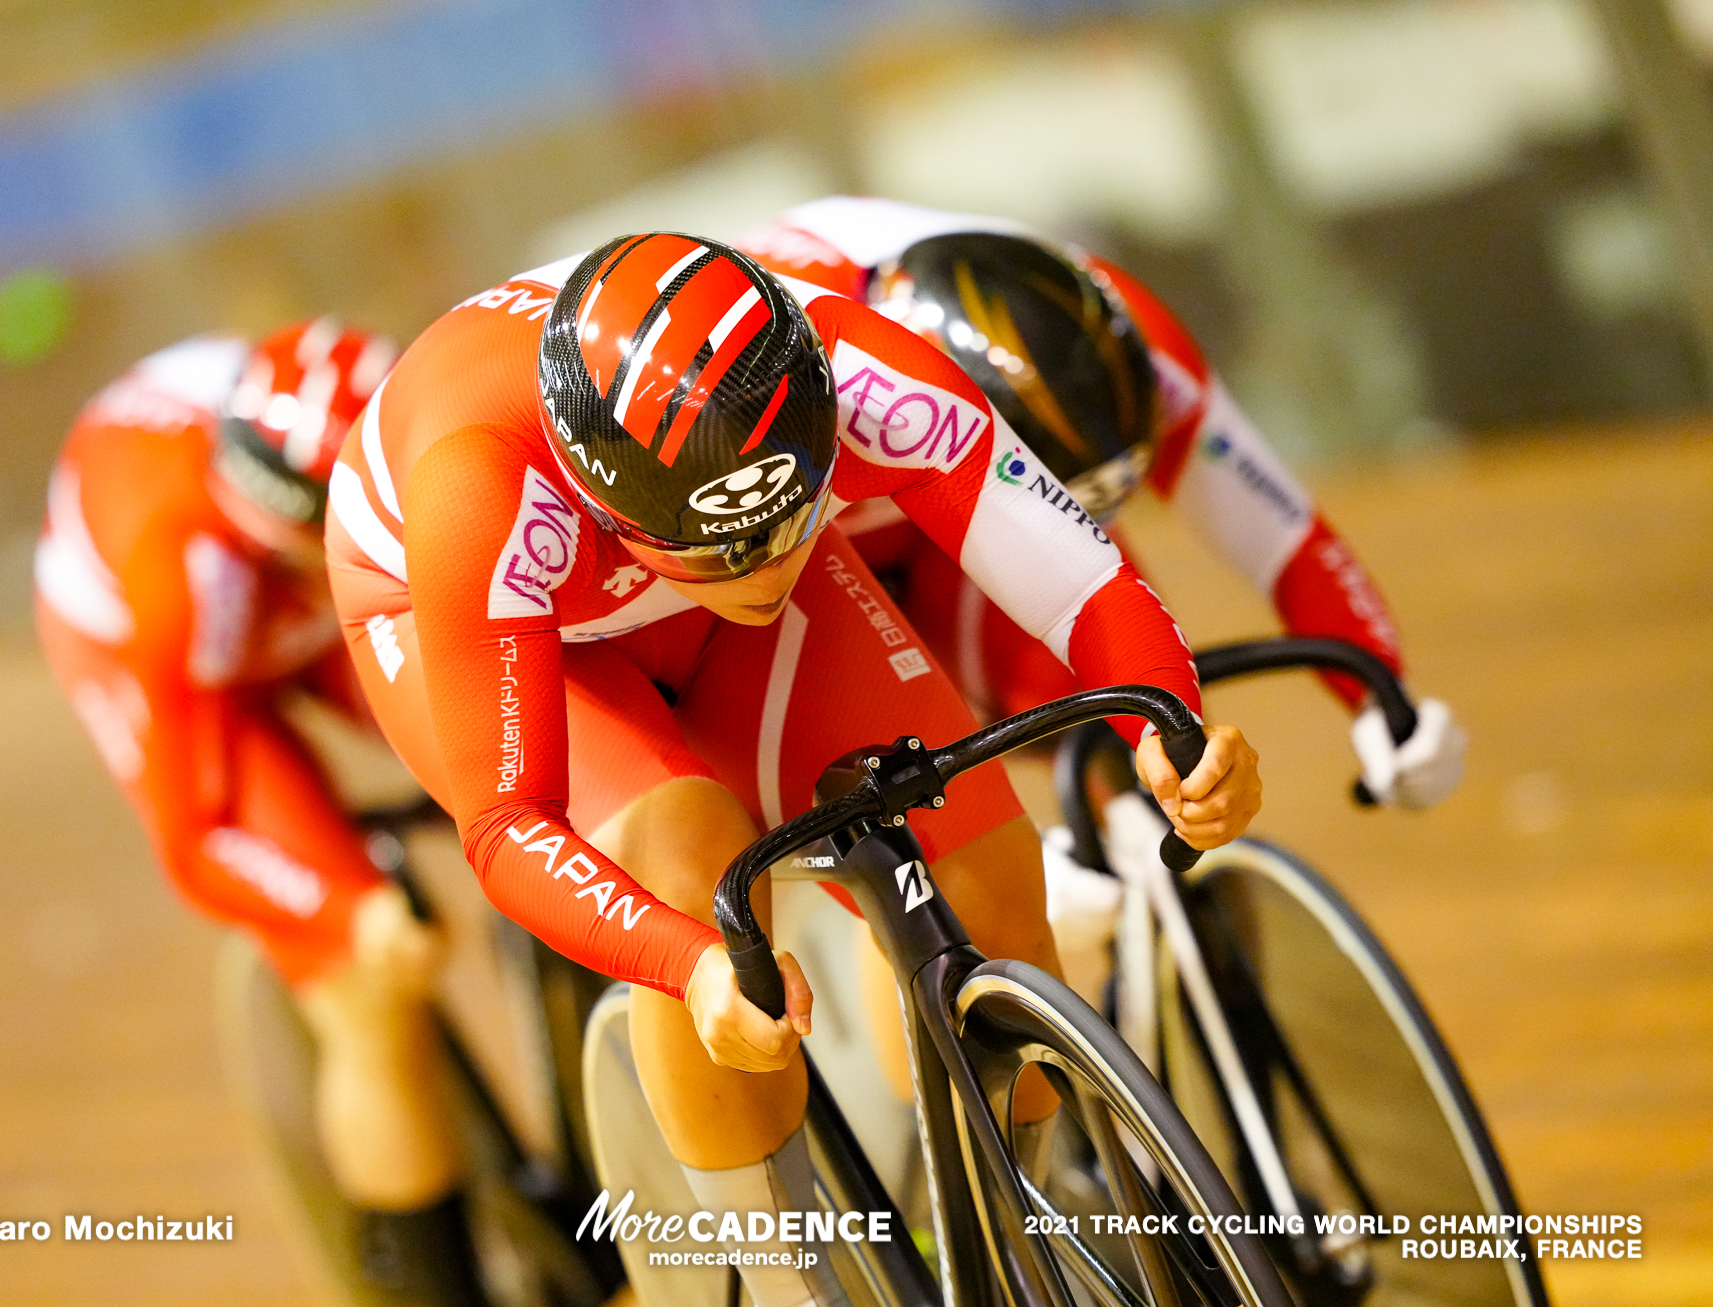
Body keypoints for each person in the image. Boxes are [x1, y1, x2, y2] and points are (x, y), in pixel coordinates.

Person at [325, 233, 1263, 1307]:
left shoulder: (862, 366)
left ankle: (1019, 1240)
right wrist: (689, 963)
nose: (768, 566)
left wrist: (1168, 726)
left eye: (791, 518)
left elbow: (1081, 579)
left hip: (677, 539)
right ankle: (781, 1283)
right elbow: (506, 826)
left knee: (987, 873)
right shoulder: (477, 493)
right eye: (731, 546)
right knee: (691, 864)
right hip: (493, 610)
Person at [736, 196, 1468, 811]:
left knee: (1119, 721)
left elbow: (1282, 532)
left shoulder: (1126, 335)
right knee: (912, 835)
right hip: (818, 526)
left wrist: (1380, 694)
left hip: (971, 507)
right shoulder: (837, 381)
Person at [34, 318, 486, 1306]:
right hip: (174, 653)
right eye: (284, 551)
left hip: (325, 582)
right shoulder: (180, 577)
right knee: (370, 980)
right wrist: (345, 914)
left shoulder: (399, 435)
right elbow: (195, 841)